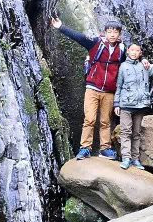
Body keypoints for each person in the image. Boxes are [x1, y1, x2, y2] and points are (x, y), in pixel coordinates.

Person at [50, 16, 125, 160]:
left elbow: (133, 59)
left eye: (115, 32)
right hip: (92, 88)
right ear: (105, 32)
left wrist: (144, 60)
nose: (112, 34)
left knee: (105, 121)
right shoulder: (96, 43)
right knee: (89, 119)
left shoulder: (122, 49)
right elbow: (80, 37)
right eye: (110, 31)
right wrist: (61, 27)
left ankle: (105, 149)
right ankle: (85, 148)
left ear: (119, 34)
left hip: (109, 91)